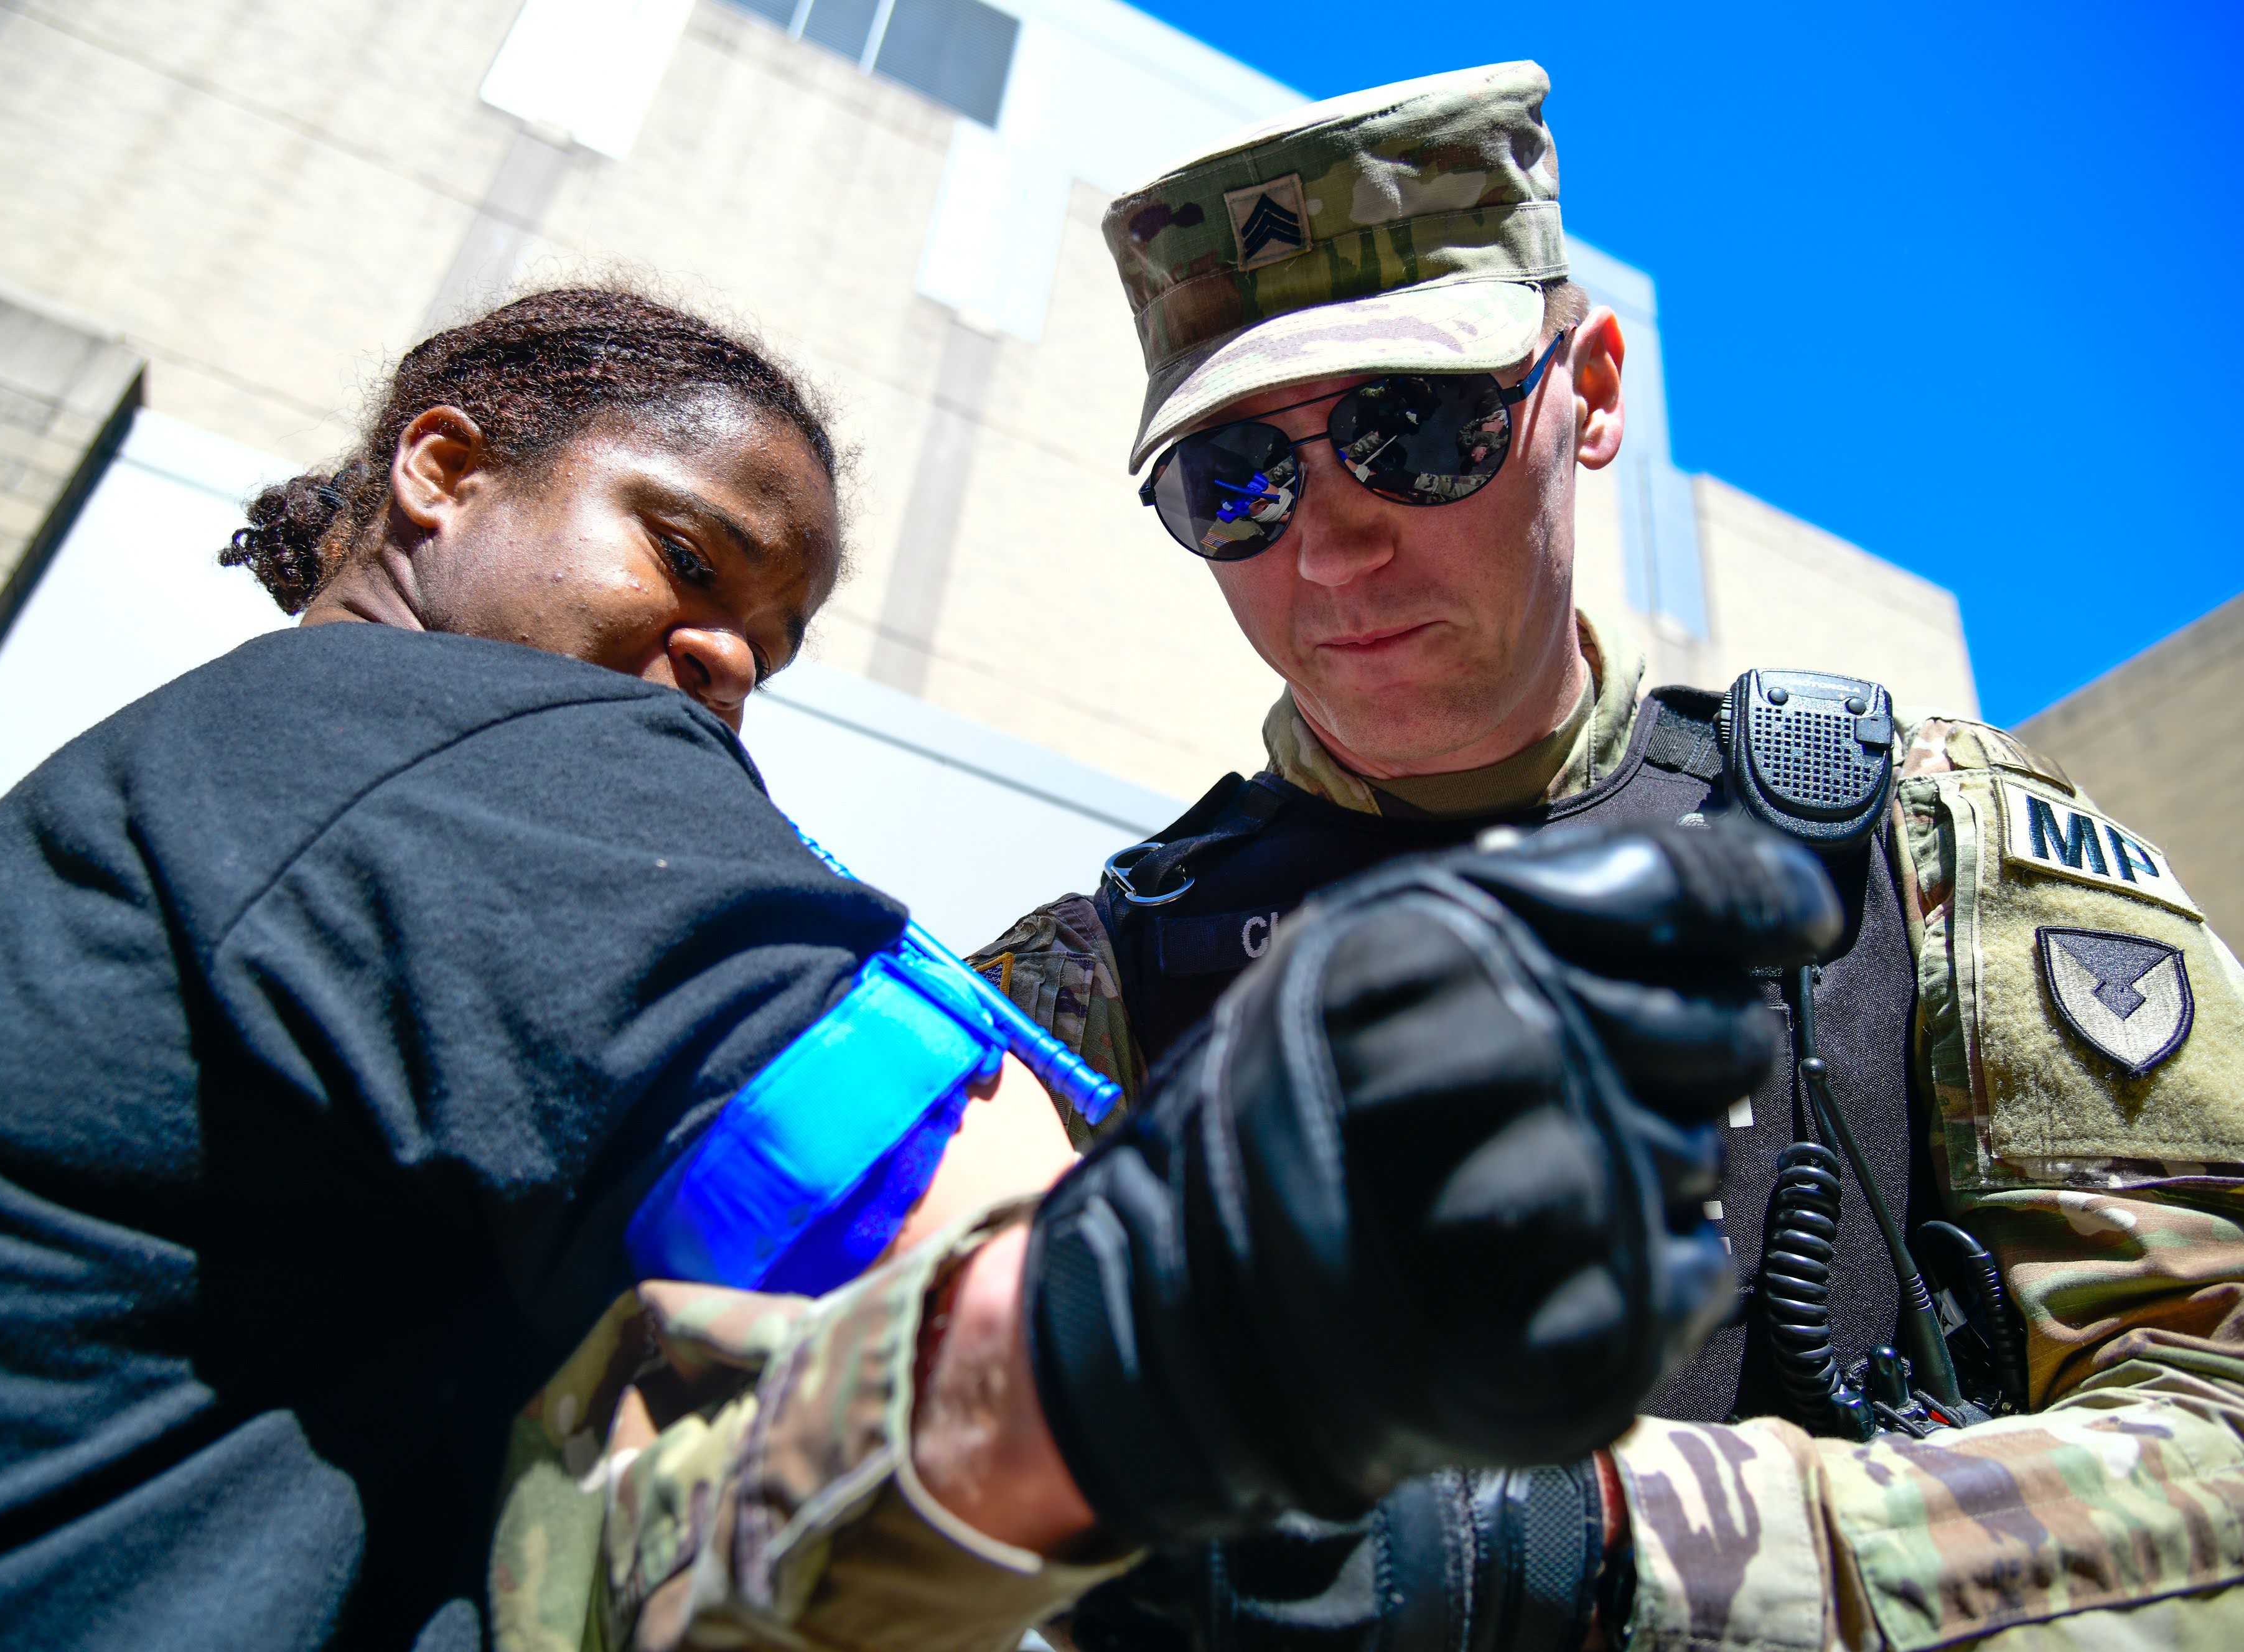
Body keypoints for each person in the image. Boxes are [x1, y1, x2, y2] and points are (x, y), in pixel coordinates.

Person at [0, 286, 1827, 1650]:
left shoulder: (221, 781)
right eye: (686, 557)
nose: (723, 659)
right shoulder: (447, 732)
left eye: (772, 635)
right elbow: (976, 1246)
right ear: (442, 472)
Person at [955, 60, 2244, 1652]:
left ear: (1593, 389)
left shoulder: (1920, 847)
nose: (1332, 544)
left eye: (1411, 427)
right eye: (1236, 481)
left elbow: (2217, 1412)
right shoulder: (1075, 994)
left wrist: (1617, 1552)